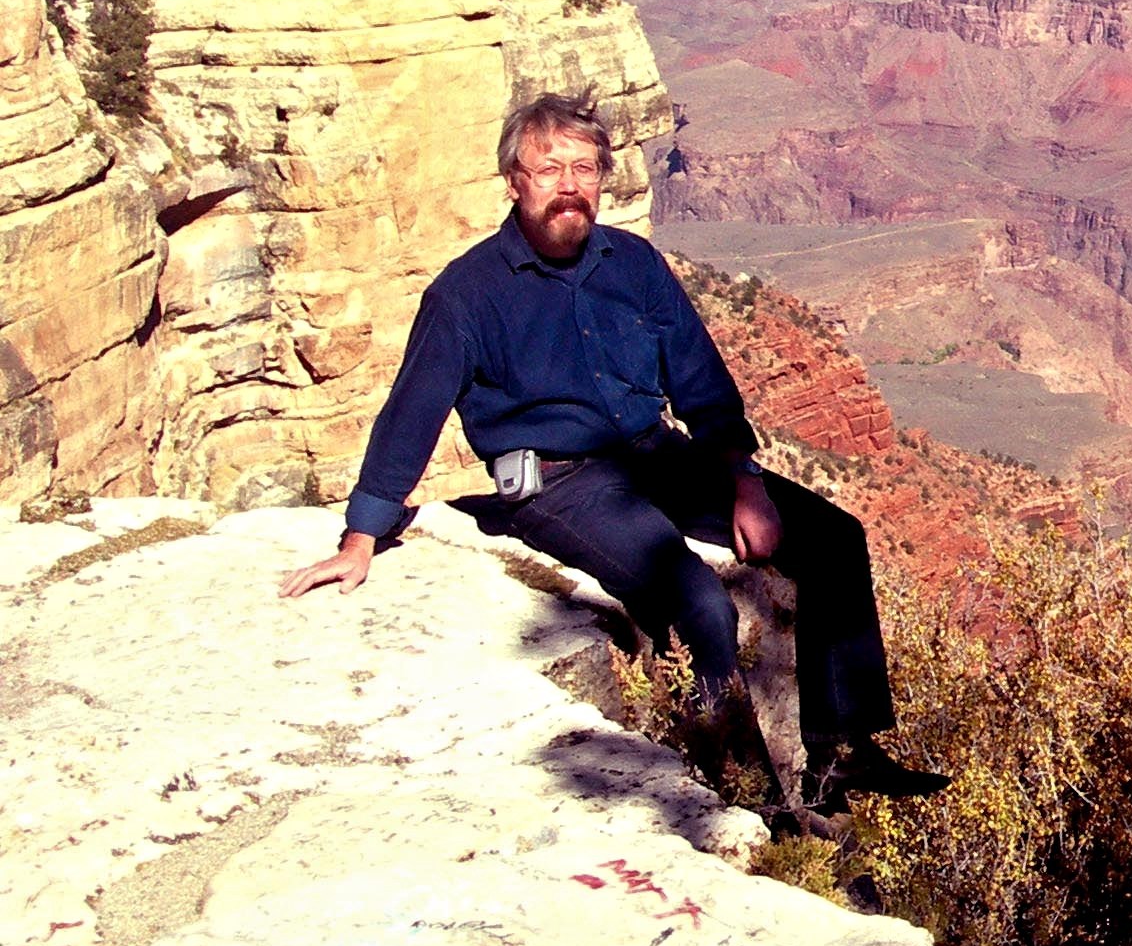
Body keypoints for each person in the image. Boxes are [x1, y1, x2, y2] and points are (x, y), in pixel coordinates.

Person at [282, 89, 945, 815]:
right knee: (698, 598)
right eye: (549, 168)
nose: (570, 184)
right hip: (558, 487)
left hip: (652, 456)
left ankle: (838, 755)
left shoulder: (633, 264)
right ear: (514, 182)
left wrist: (744, 480)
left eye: (586, 167)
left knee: (833, 538)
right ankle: (748, 801)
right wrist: (361, 535)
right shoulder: (466, 295)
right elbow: (410, 413)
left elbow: (701, 382)